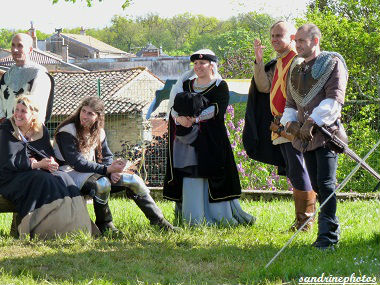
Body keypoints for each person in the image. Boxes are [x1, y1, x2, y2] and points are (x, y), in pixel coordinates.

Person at [53, 96, 177, 235]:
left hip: (89, 172)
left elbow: (107, 156)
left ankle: (159, 222)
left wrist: (111, 172)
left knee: (133, 180)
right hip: (67, 174)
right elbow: (76, 162)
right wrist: (107, 170)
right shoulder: (67, 130)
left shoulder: (99, 132)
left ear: (98, 117)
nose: (85, 116)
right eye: (83, 111)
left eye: (90, 113)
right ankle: (105, 226)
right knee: (102, 184)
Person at [163, 49, 255, 226]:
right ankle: (192, 218)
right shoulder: (186, 85)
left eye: (202, 63)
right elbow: (174, 105)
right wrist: (179, 118)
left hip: (212, 140)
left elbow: (217, 109)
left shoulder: (220, 85)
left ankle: (218, 217)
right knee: (190, 173)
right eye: (195, 64)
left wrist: (195, 119)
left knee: (212, 175)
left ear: (211, 65)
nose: (198, 67)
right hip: (187, 142)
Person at [281, 23, 348, 249]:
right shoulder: (297, 68)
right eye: (296, 41)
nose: (297, 45)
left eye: (301, 41)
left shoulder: (332, 64)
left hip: (327, 135)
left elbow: (334, 99)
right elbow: (291, 103)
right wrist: (290, 123)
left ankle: (328, 238)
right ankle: (326, 233)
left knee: (326, 185)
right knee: (317, 187)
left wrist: (312, 121)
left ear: (315, 41)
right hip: (304, 139)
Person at [243, 21, 315, 231]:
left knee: (299, 169)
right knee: (293, 171)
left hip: (295, 125)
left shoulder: (298, 61)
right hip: (280, 125)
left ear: (292, 37)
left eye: (279, 35)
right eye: (272, 35)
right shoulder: (278, 62)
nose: (274, 39)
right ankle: (302, 220)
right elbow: (264, 87)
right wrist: (259, 61)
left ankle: (305, 222)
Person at [0, 96, 92, 239]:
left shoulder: (40, 129)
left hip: (34, 172)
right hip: (10, 177)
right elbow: (9, 161)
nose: (17, 114)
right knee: (43, 180)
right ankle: (46, 231)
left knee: (63, 177)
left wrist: (50, 163)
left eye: (23, 111)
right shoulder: (7, 128)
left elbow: (46, 154)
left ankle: (76, 226)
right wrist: (36, 164)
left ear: (33, 114)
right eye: (16, 110)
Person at [0, 33, 53, 124]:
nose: (15, 49)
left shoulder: (39, 75)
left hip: (29, 131)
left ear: (30, 50)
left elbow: (39, 110)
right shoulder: (6, 76)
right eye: (13, 45)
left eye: (20, 46)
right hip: (7, 130)